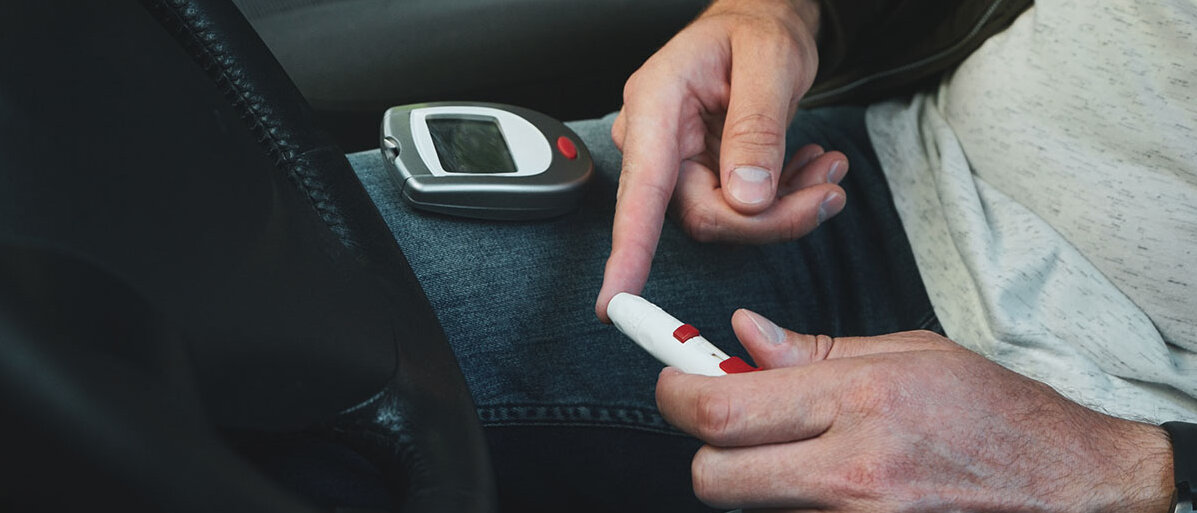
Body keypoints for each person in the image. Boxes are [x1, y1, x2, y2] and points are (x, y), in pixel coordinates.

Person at [349, 0, 1196, 510]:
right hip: (890, 165)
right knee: (292, 294)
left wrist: (1140, 467)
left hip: (1110, 423)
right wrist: (777, 15)